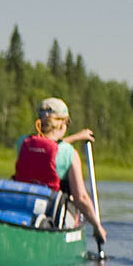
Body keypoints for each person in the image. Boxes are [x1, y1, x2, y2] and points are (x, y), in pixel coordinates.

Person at [10, 97, 106, 246]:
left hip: (23, 210)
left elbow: (46, 146)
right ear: (61, 123)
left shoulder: (22, 142)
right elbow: (80, 197)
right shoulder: (69, 153)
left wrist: (75, 137)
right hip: (54, 216)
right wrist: (97, 226)